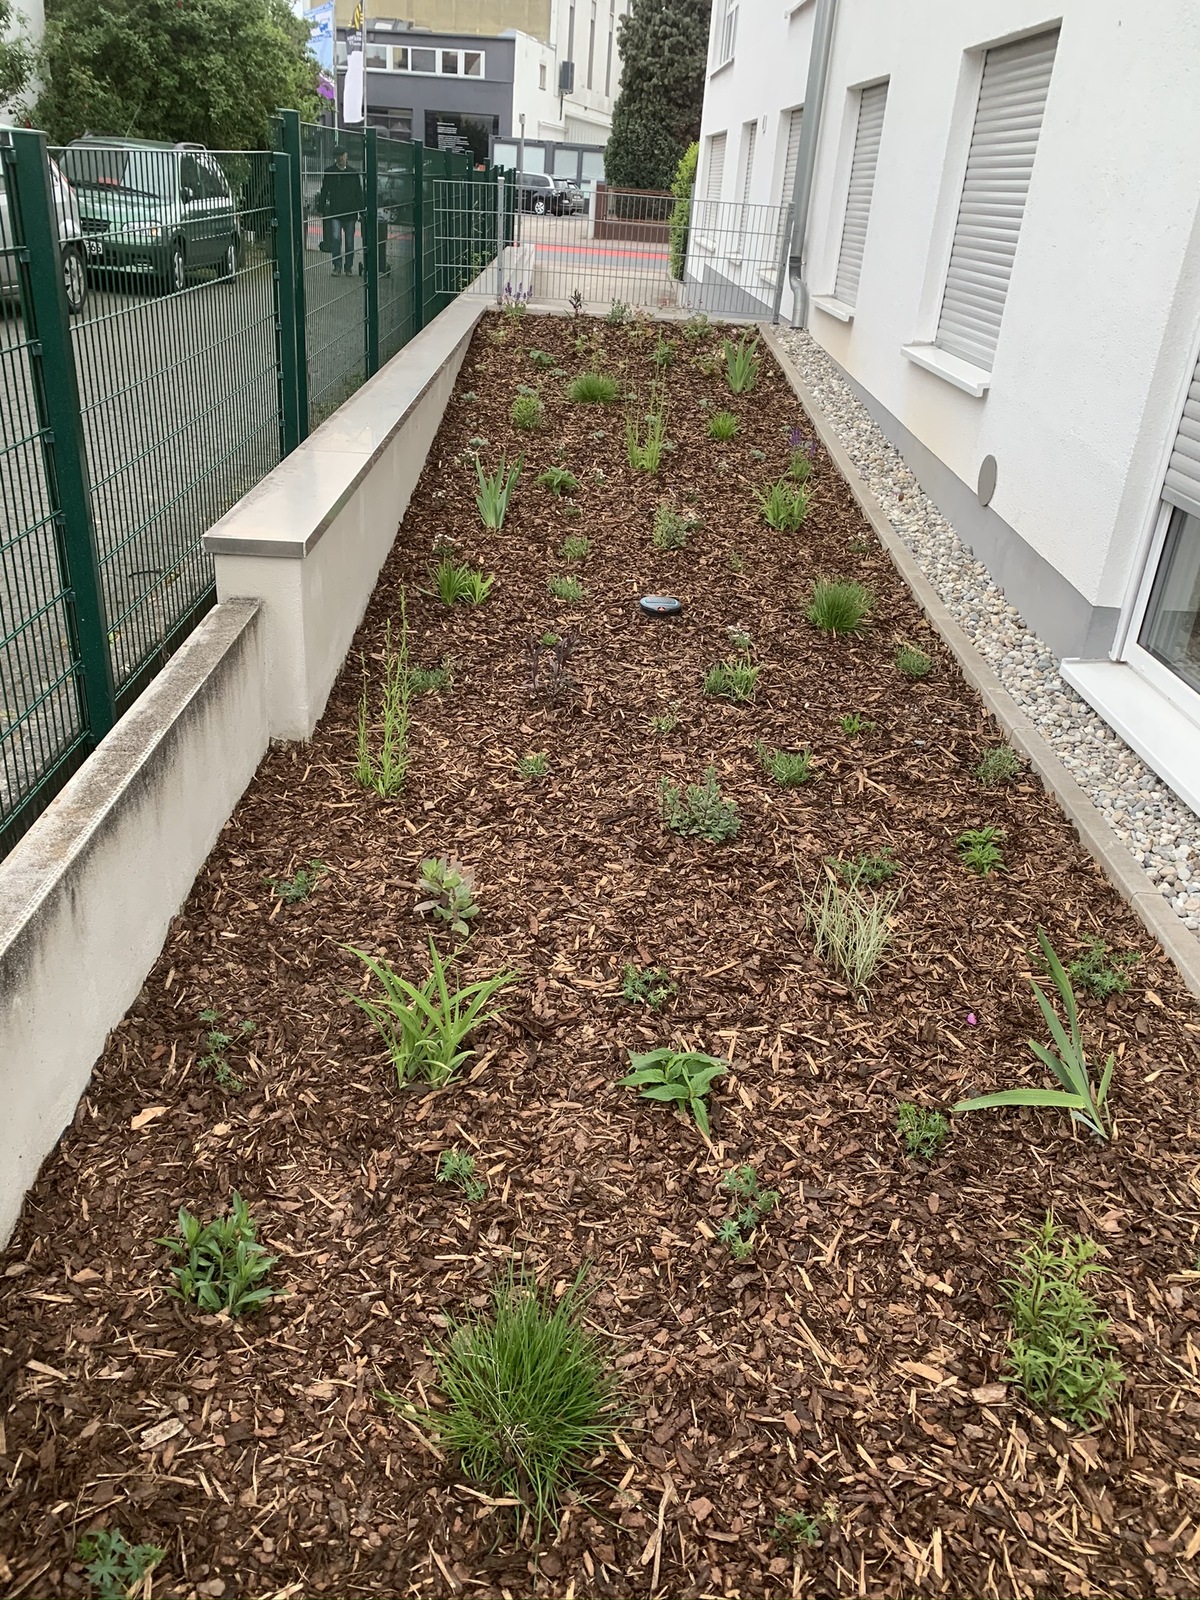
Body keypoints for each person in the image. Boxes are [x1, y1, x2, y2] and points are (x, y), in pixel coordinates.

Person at [317, 146, 364, 276]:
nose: (340, 158)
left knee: (349, 241)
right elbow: (324, 190)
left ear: (346, 156)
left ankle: (348, 267)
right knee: (336, 239)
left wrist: (361, 210)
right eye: (338, 156)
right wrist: (320, 207)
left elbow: (358, 193)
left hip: (349, 212)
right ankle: (337, 266)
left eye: (342, 155)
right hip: (336, 211)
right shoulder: (330, 172)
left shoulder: (353, 173)